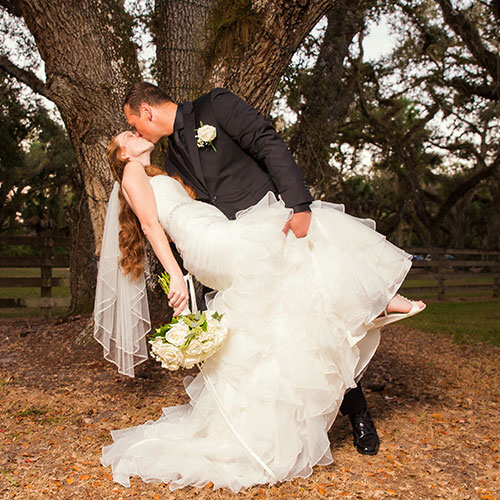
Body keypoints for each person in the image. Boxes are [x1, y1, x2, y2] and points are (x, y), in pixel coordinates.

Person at [94, 128, 425, 492]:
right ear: (123, 152)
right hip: (211, 241)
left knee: (288, 301)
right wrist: (175, 275)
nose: (137, 134)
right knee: (306, 224)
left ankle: (274, 421)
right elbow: (151, 226)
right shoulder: (132, 173)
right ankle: (375, 301)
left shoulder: (154, 173)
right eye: (129, 133)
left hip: (211, 236)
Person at [122, 82, 384, 456]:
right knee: (274, 343)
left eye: (135, 124)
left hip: (274, 232)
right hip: (235, 257)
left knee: (314, 324)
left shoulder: (215, 105)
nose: (138, 132)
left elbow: (267, 142)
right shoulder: (173, 159)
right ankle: (294, 427)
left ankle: (359, 416)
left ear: (146, 111)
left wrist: (299, 204)